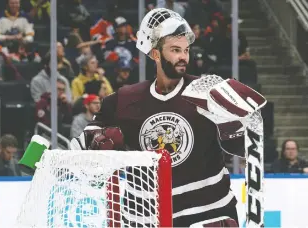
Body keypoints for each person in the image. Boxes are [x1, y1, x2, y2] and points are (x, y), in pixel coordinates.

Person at [71, 8, 266, 227]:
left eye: (186, 50)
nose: (183, 56)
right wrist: (100, 142)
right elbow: (81, 146)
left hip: (208, 214)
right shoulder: (124, 100)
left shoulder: (207, 91)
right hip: (146, 218)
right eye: (175, 50)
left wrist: (235, 125)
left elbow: (245, 147)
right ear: (155, 54)